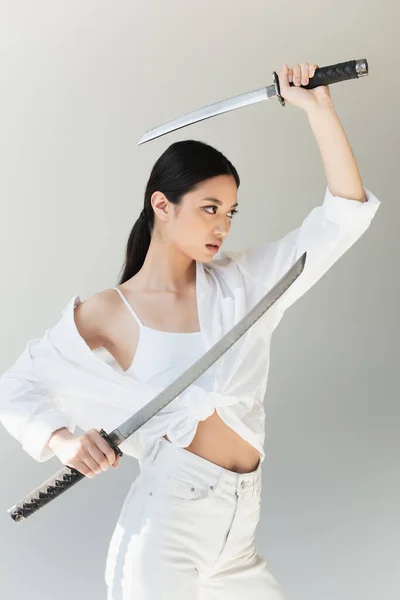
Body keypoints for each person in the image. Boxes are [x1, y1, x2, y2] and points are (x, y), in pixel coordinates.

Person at [0, 63, 381, 599]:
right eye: (208, 209)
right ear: (162, 204)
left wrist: (319, 110)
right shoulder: (109, 312)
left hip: (238, 532)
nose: (222, 226)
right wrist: (62, 441)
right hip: (165, 529)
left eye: (230, 212)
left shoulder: (245, 284)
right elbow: (15, 388)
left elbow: (344, 216)